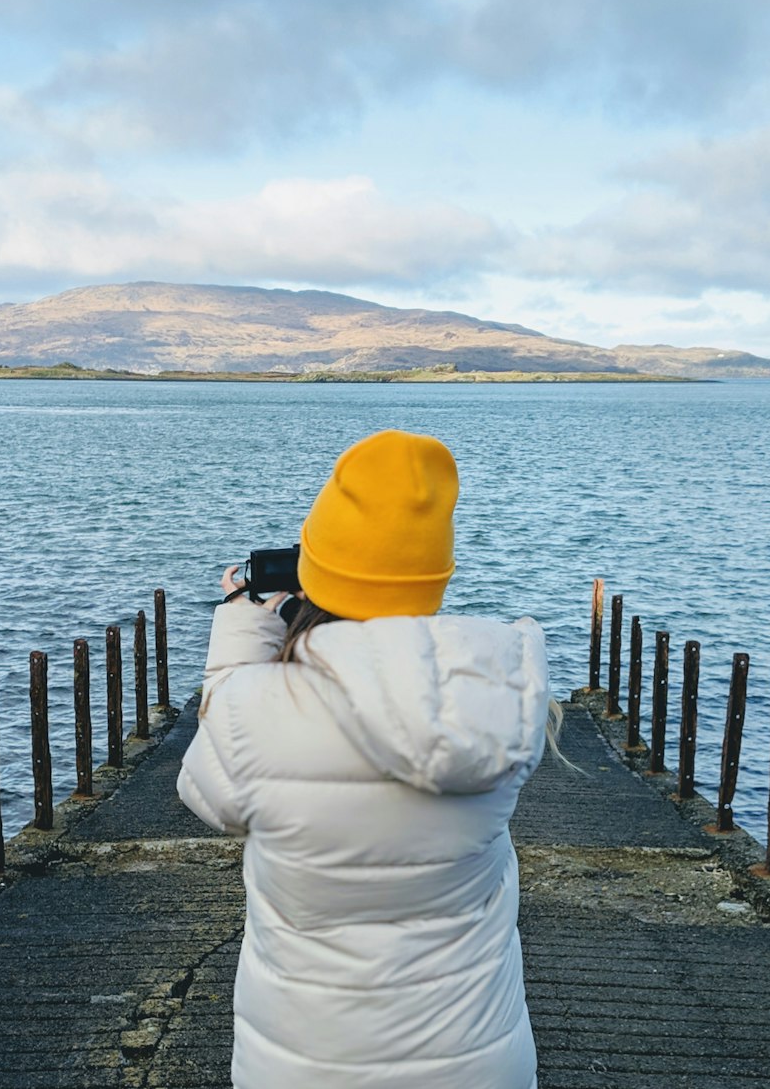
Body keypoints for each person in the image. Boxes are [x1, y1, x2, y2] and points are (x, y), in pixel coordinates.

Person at [177, 428, 555, 1089]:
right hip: (476, 1062)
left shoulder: (255, 711)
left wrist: (243, 627)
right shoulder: (497, 702)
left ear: (314, 571)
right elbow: (400, 672)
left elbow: (206, 790)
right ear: (435, 574)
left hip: (307, 1064)